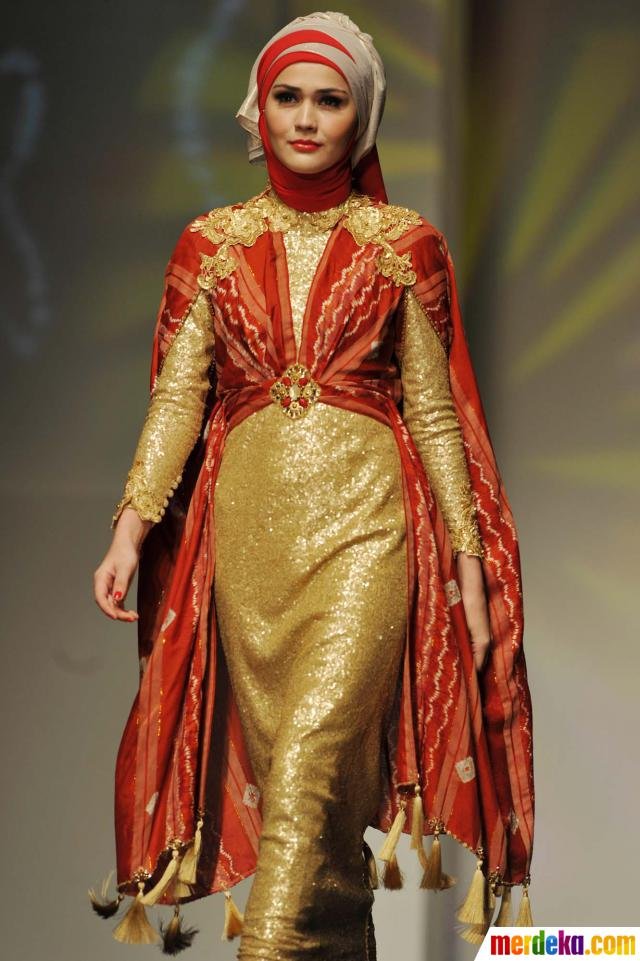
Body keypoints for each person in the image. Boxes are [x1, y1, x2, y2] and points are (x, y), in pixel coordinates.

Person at [90, 11, 534, 958]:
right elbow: (179, 397)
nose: (304, 117)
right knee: (318, 813)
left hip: (370, 538)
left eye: (328, 100)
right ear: (260, 110)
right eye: (287, 97)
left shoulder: (404, 243)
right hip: (250, 550)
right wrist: (131, 527)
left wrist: (467, 559)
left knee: (304, 772)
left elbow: (436, 413)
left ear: (359, 117)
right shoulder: (211, 242)